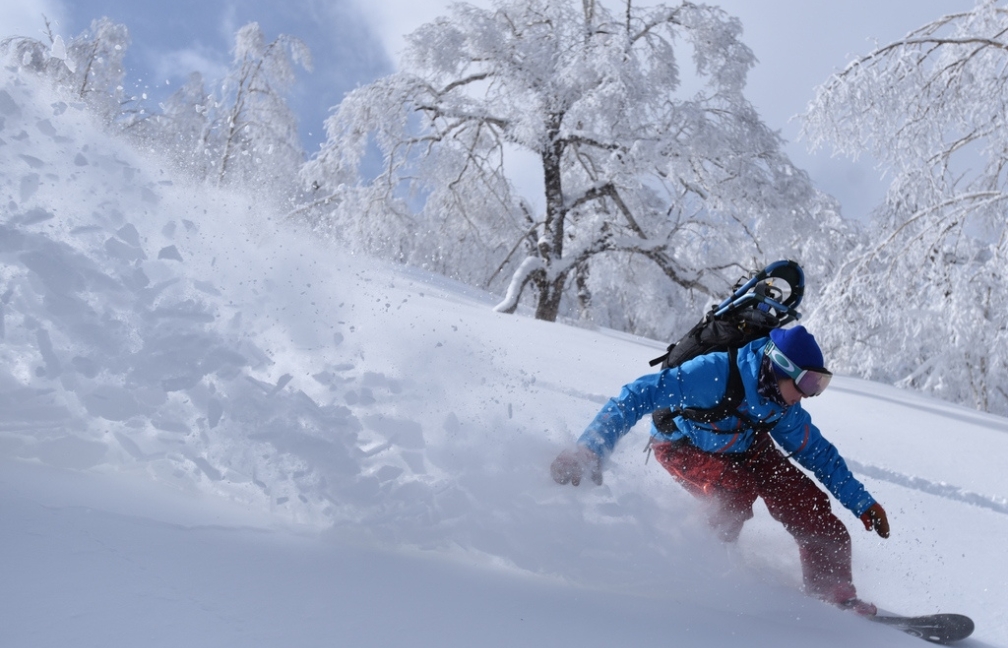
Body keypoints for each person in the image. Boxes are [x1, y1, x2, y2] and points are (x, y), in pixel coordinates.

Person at [550, 325, 889, 615]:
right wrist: (589, 450)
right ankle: (700, 576)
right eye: (808, 382)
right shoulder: (713, 375)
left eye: (819, 384)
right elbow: (638, 394)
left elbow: (817, 452)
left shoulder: (782, 405)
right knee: (734, 491)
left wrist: (861, 502)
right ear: (779, 366)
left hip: (745, 444)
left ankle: (832, 593)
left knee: (805, 498)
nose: (808, 394)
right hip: (682, 446)